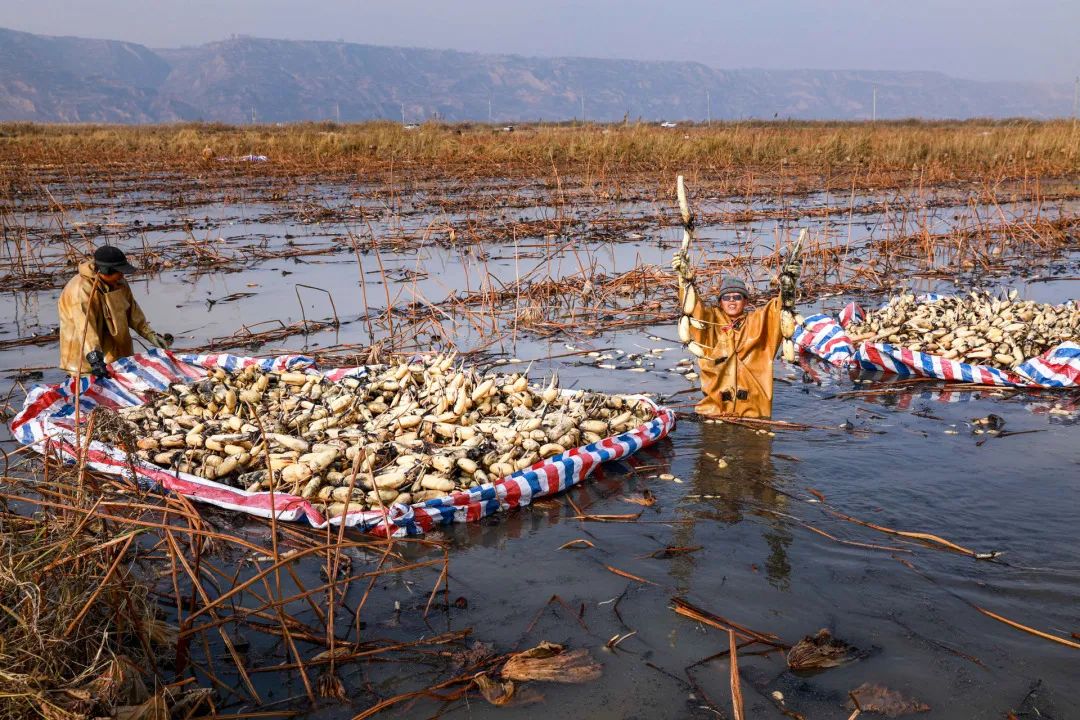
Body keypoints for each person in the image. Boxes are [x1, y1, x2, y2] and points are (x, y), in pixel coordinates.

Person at [672, 249, 801, 418]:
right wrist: (684, 280)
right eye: (727, 298)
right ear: (720, 302)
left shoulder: (759, 321)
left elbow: (779, 309)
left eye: (737, 297)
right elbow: (693, 307)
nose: (732, 301)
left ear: (745, 301)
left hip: (755, 413)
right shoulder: (709, 320)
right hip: (715, 412)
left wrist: (789, 282)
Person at [58, 245, 172, 379]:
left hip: (113, 349)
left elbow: (133, 313)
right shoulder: (80, 290)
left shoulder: (120, 283)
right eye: (119, 272)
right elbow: (85, 329)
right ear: (105, 271)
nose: (122, 275)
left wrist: (151, 336)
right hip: (83, 351)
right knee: (89, 385)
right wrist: (95, 360)